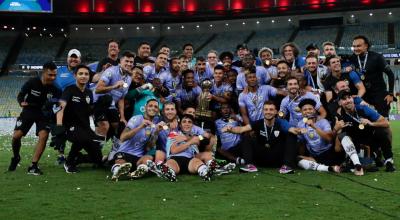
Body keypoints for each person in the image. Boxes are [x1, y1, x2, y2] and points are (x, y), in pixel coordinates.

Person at [8, 62, 61, 175]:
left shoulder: (56, 89)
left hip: (43, 114)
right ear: (44, 72)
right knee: (16, 136)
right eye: (50, 75)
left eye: (54, 75)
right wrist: (21, 102)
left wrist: (55, 119)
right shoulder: (32, 82)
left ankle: (33, 165)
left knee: (44, 135)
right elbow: (21, 95)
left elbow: (59, 106)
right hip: (29, 111)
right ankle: (16, 157)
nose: (53, 77)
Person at [223, 101, 299, 174]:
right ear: (262, 111)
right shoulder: (258, 123)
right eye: (266, 109)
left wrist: (298, 131)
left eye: (271, 110)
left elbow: (291, 129)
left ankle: (287, 166)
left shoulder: (281, 122)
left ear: (276, 112)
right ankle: (250, 165)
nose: (268, 112)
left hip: (278, 157)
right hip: (262, 157)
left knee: (291, 135)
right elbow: (242, 129)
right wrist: (231, 130)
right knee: (246, 136)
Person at [56, 65, 104, 173]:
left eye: (86, 74)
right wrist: (59, 126)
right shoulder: (69, 90)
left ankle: (78, 158)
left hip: (85, 127)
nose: (83, 76)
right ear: (75, 76)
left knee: (98, 159)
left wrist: (100, 107)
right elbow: (61, 106)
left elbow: (89, 111)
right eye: (80, 74)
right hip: (71, 127)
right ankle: (69, 163)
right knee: (82, 138)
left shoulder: (89, 93)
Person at [335, 90, 395, 172]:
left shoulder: (363, 109)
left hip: (371, 139)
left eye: (349, 97)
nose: (348, 100)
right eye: (344, 99)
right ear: (339, 103)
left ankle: (389, 160)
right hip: (356, 144)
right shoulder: (339, 115)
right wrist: (336, 129)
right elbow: (337, 144)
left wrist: (371, 123)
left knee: (384, 130)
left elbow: (386, 123)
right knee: (343, 136)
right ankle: (372, 156)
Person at [110, 99, 165, 181]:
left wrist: (156, 132)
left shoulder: (154, 126)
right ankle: (117, 171)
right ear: (145, 107)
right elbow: (123, 137)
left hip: (138, 157)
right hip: (125, 152)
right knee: (121, 163)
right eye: (150, 106)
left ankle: (137, 171)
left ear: (158, 111)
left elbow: (148, 148)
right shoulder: (136, 119)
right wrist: (140, 127)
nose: (153, 108)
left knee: (148, 159)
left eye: (155, 107)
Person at [160, 114, 217, 181]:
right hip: (175, 158)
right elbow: (174, 150)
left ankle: (205, 172)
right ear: (180, 125)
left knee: (198, 162)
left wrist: (188, 138)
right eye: (184, 122)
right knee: (170, 164)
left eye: (189, 122)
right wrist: (190, 142)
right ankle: (170, 173)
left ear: (192, 125)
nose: (187, 124)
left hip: (190, 159)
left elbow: (205, 139)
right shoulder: (174, 134)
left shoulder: (195, 135)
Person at [350, 35, 396, 118]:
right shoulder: (352, 58)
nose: (356, 48)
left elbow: (391, 75)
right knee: (364, 120)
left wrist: (390, 93)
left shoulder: (377, 57)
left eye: (358, 46)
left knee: (383, 120)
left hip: (379, 93)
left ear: (366, 46)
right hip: (364, 94)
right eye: (354, 46)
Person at [295, 99, 344, 174]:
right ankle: (328, 168)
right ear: (301, 113)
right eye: (304, 110)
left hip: (329, 153)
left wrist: (313, 126)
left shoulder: (323, 122)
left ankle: (324, 167)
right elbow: (302, 143)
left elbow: (329, 139)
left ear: (315, 110)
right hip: (315, 157)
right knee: (296, 158)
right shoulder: (300, 124)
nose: (307, 111)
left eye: (310, 109)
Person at [94, 51, 135, 140]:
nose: (129, 64)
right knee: (105, 125)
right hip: (98, 102)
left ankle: (114, 148)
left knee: (119, 126)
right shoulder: (111, 71)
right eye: (126, 61)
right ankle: (96, 147)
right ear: (120, 61)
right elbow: (97, 89)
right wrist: (113, 86)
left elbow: (121, 98)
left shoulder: (128, 78)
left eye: (131, 62)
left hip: (111, 105)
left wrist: (123, 117)